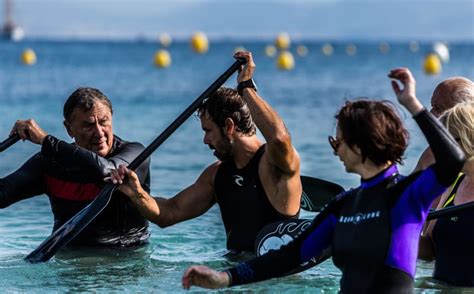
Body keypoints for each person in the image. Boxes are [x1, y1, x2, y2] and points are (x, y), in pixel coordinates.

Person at [180, 68, 466, 293]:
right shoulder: (342, 207)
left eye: (338, 140)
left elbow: (452, 160)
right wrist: (224, 278)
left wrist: (413, 105)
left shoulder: (407, 195)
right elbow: (289, 255)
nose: (334, 148)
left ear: (361, 145)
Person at [108, 51, 302, 253]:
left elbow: (279, 138)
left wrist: (245, 87)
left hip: (277, 281)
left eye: (208, 131)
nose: (205, 140)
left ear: (228, 126)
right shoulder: (217, 175)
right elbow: (170, 212)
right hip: (235, 278)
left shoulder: (274, 165)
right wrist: (136, 193)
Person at [0, 87, 150, 247]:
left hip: (126, 259)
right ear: (69, 128)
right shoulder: (50, 163)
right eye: (89, 125)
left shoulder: (135, 154)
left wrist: (46, 141)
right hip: (69, 262)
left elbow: (107, 171)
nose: (99, 133)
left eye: (104, 121)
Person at [418, 102, 474, 286]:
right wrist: (396, 232)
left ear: (467, 139)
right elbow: (430, 250)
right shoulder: (453, 184)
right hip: (442, 288)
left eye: (442, 142)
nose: (436, 150)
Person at [413, 76, 473, 172]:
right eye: (432, 106)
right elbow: (411, 186)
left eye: (438, 108)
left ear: (463, 114)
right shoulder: (431, 155)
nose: (431, 114)